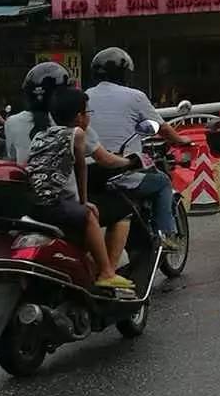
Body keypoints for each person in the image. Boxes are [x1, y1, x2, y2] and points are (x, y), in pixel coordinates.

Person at [19, 76, 134, 292]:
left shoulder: (40, 135)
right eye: (87, 112)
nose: (88, 116)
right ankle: (107, 273)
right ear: (80, 116)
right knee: (90, 215)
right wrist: (85, 201)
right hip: (54, 202)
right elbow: (81, 169)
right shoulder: (78, 134)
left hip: (33, 202)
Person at [84, 47, 188, 251]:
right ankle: (166, 234)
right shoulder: (135, 96)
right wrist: (181, 141)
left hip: (88, 174)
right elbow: (163, 128)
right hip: (121, 171)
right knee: (162, 181)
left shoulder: (84, 96)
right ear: (125, 72)